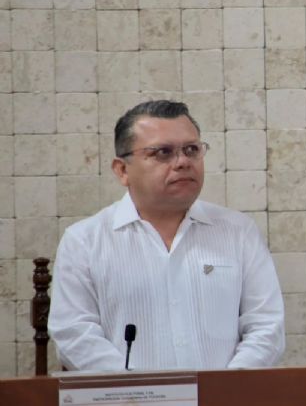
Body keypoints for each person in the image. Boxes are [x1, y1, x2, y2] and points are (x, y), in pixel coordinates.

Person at [49, 100, 284, 371]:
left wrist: (224, 392)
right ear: (122, 170)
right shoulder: (84, 242)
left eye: (191, 150)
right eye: (163, 152)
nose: (183, 162)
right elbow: (74, 334)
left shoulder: (238, 232)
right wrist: (143, 394)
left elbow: (266, 327)